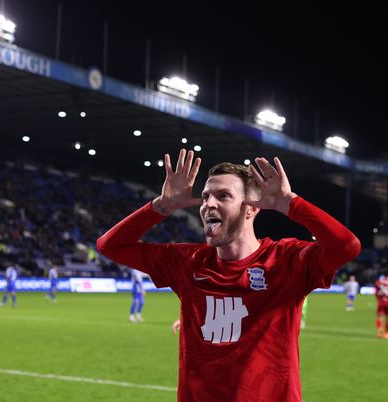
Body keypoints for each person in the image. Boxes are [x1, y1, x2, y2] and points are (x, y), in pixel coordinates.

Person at [97, 149, 361, 402]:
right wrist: (162, 206)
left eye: (223, 196)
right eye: (205, 196)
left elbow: (346, 246)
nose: (208, 204)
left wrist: (291, 204)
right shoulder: (187, 262)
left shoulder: (286, 261)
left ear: (251, 208)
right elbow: (109, 245)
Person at [375, 271, 388, 338]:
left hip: (381, 302)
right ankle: (386, 333)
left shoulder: (379, 282)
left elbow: (376, 292)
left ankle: (380, 329)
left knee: (379, 317)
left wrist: (378, 299)